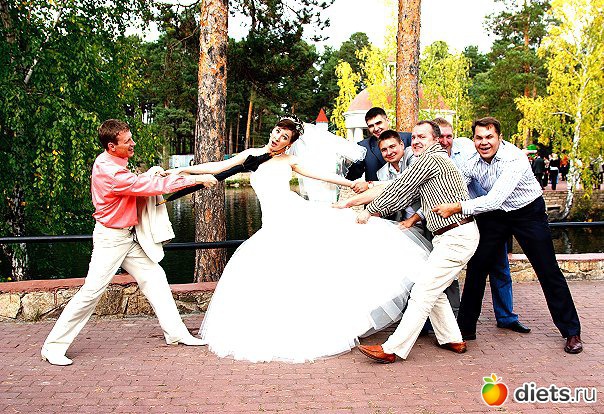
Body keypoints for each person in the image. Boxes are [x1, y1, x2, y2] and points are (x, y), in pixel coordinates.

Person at [168, 115, 431, 363]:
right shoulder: (251, 156)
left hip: (295, 216)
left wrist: (352, 184)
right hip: (272, 225)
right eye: (276, 132)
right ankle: (275, 327)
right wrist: (182, 172)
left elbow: (320, 174)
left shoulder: (289, 161)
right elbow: (217, 167)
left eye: (284, 137)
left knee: (318, 261)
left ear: (289, 144)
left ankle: (319, 323)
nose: (277, 138)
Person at [41, 119, 218, 366]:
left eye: (131, 138)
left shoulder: (112, 163)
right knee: (91, 293)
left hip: (126, 236)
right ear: (112, 146)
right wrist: (196, 180)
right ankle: (53, 348)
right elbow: (144, 186)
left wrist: (150, 174)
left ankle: (176, 333)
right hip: (111, 240)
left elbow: (135, 183)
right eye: (127, 141)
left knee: (155, 278)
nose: (133, 143)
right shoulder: (110, 171)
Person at [432, 117, 583, 354]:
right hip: (494, 215)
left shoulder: (514, 158)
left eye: (489, 137)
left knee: (548, 270)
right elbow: (457, 187)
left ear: (499, 138)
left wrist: (457, 208)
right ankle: (465, 328)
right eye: (479, 138)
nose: (484, 142)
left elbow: (494, 198)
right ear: (473, 140)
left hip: (527, 212)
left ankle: (571, 332)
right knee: (477, 268)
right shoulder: (471, 161)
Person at [351, 120, 480, 363]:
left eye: (423, 136)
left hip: (457, 236)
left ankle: (393, 349)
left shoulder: (430, 160)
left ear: (435, 140)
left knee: (422, 291)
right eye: (415, 137)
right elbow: (405, 194)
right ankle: (452, 338)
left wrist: (369, 211)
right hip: (448, 236)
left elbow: (400, 189)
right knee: (431, 287)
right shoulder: (432, 160)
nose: (417, 141)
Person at [432, 117, 530, 334]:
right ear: (434, 138)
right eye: (441, 137)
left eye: (449, 136)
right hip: (455, 220)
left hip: (487, 214)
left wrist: (459, 207)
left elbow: (491, 194)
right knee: (467, 272)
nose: (445, 141)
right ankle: (458, 324)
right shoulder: (430, 159)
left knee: (500, 267)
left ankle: (506, 317)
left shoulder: (468, 150)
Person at [346, 107, 412, 191]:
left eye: (378, 123)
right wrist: (346, 160)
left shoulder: (409, 139)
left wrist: (370, 185)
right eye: (371, 126)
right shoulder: (362, 147)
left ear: (387, 120)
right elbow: (351, 176)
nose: (376, 128)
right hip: (376, 197)